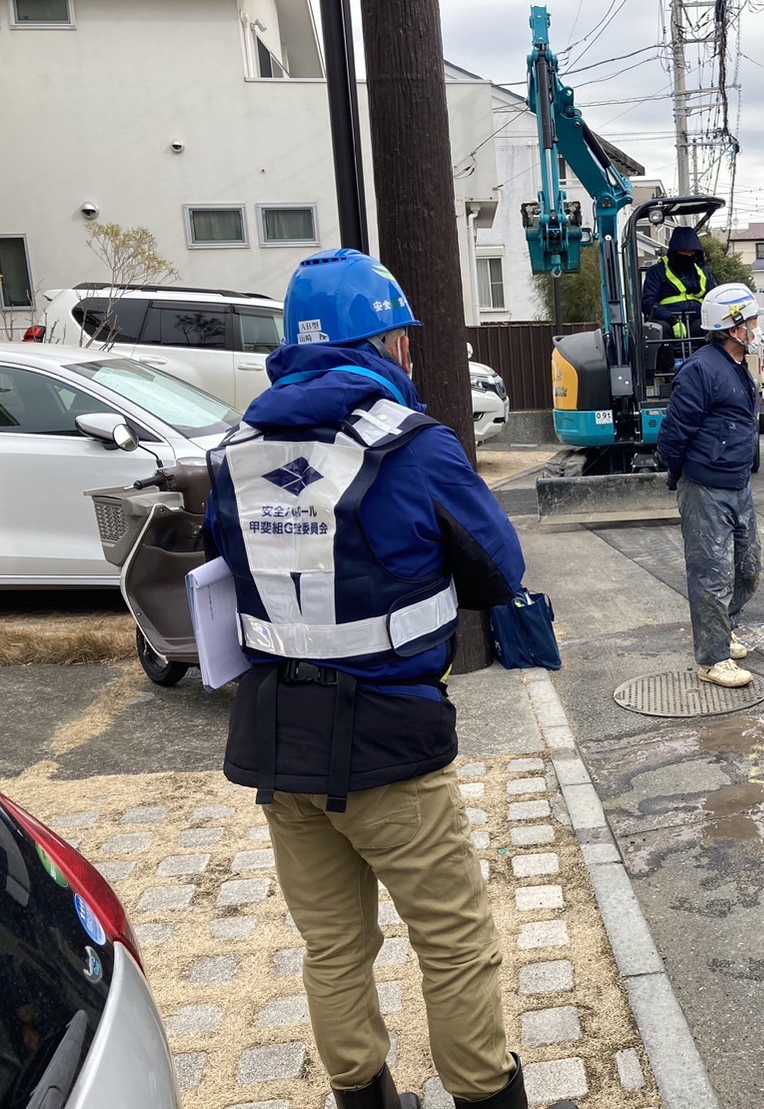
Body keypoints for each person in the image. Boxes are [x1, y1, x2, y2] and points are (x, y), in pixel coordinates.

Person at [207, 249, 574, 1109]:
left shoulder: (234, 451)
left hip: (276, 742)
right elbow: (496, 558)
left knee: (333, 945)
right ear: (384, 346)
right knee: (452, 941)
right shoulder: (411, 445)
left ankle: (365, 1100)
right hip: (390, 743)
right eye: (401, 339)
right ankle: (484, 1096)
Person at [657, 282, 764, 689]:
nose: (757, 328)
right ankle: (712, 658)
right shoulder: (700, 370)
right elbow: (672, 435)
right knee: (711, 574)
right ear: (734, 328)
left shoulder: (737, 366)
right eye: (752, 321)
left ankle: (723, 629)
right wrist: (682, 473)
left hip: (738, 484)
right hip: (706, 485)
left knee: (748, 569)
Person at [641, 225, 711, 346]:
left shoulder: (702, 272)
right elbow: (648, 302)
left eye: (691, 252)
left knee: (709, 330)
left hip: (697, 319)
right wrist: (672, 320)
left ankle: (707, 364)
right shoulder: (657, 271)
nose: (688, 256)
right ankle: (667, 365)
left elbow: (714, 297)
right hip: (667, 321)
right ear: (674, 251)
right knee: (660, 329)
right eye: (683, 251)